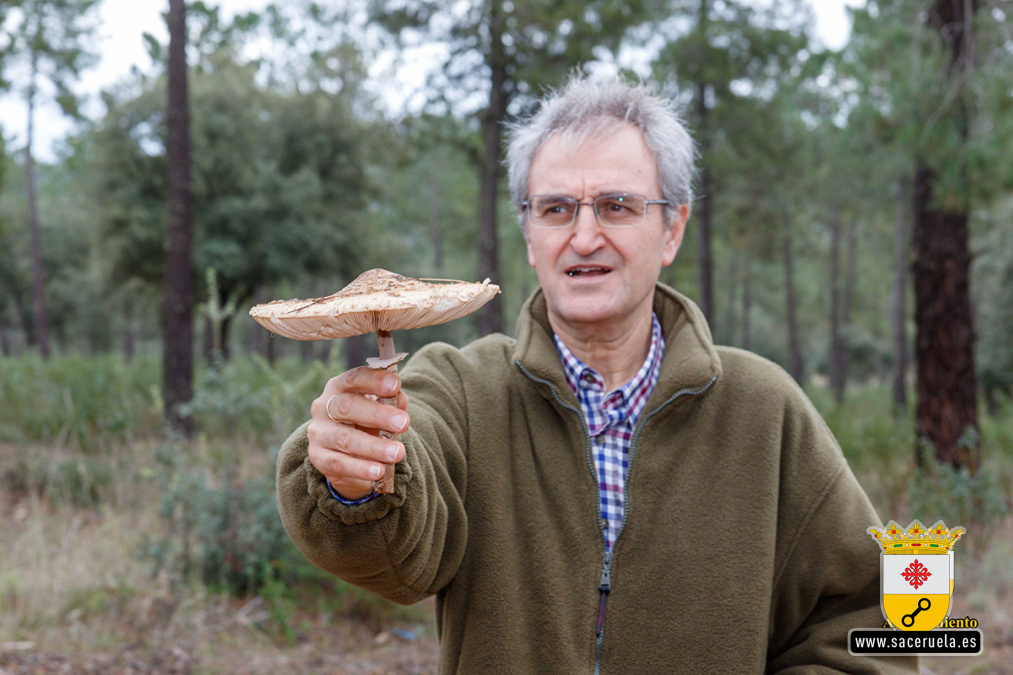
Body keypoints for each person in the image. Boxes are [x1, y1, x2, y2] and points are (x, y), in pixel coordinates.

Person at [276, 75, 916, 673]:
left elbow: (873, 622)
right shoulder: (461, 389)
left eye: (616, 206)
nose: (584, 237)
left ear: (672, 228)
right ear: (529, 235)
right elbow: (395, 562)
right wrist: (354, 477)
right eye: (556, 209)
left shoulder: (765, 412)